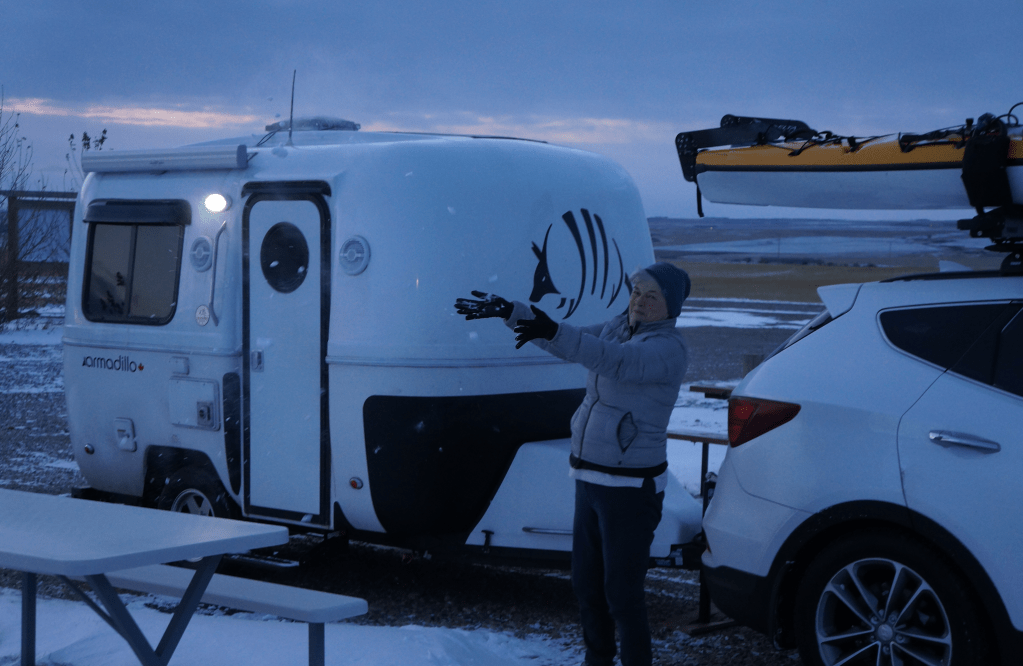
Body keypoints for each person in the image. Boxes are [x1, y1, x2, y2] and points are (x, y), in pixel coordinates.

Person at [455, 261, 690, 666]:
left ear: (671, 307)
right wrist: (512, 312)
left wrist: (552, 331)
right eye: (637, 292)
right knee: (586, 584)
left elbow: (612, 360)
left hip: (631, 488)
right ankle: (597, 661)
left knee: (622, 594)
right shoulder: (619, 326)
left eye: (652, 296)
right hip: (590, 476)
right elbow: (571, 341)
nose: (640, 301)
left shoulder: (667, 349)